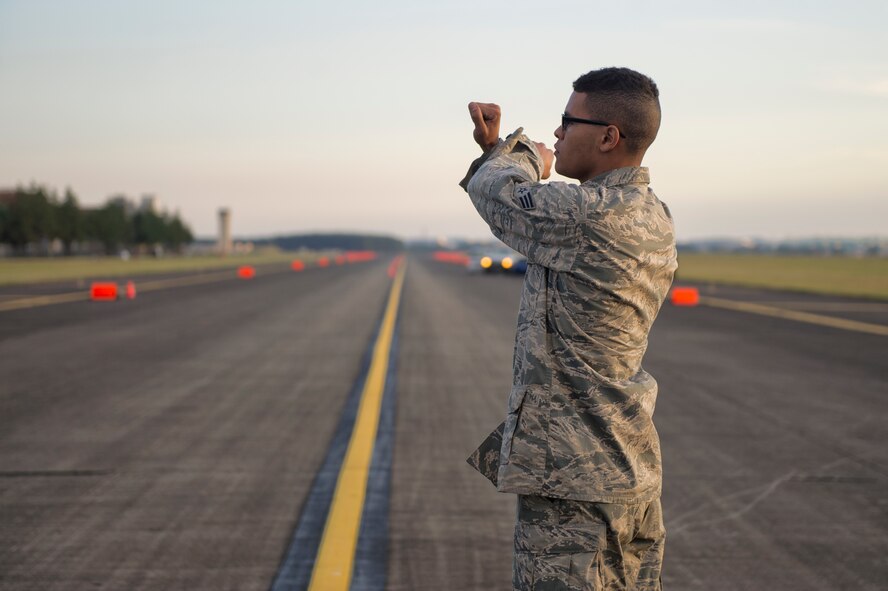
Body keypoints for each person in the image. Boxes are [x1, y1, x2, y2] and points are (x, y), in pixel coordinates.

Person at [461, 67, 677, 590]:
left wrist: (525, 154)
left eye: (567, 121)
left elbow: (498, 195)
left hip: (576, 483)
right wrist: (498, 151)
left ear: (609, 136)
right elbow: (518, 199)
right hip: (627, 471)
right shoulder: (651, 213)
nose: (557, 133)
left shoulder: (588, 215)